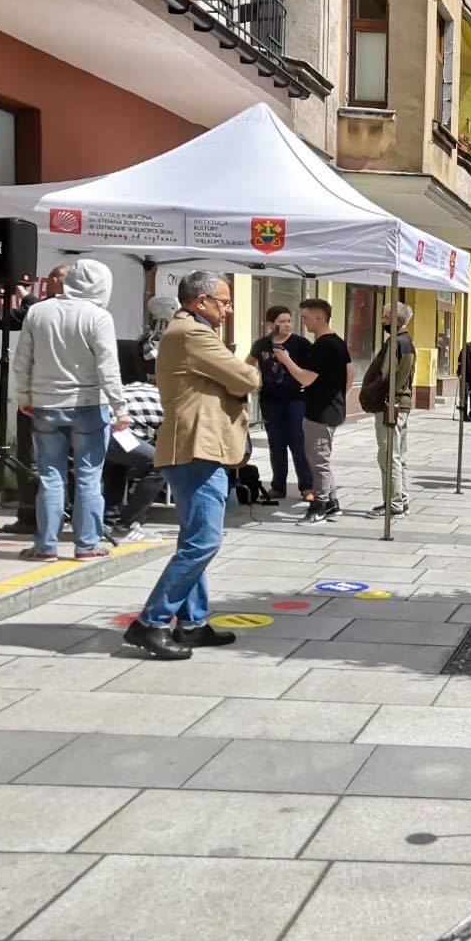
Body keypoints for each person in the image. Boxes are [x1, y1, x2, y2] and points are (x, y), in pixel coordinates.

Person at [123, 272, 260, 660]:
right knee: (204, 542)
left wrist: (232, 382)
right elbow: (247, 377)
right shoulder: (193, 334)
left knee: (194, 540)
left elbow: (234, 381)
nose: (228, 309)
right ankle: (150, 622)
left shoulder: (190, 332)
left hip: (195, 447)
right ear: (201, 301)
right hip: (197, 449)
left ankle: (192, 623)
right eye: (224, 302)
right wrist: (239, 379)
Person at [10, 258, 128, 561]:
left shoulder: (38, 311)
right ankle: (87, 545)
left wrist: (25, 397)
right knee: (89, 477)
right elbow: (108, 367)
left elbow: (22, 361)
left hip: (46, 405)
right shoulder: (99, 316)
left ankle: (44, 547)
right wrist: (120, 408)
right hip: (89, 406)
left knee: (50, 477)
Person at [0, 266, 60, 533]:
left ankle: (29, 518)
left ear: (54, 281)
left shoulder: (40, 312)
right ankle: (61, 517)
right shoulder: (88, 312)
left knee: (31, 458)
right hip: (73, 401)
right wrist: (24, 295)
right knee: (64, 461)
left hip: (39, 397)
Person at [272, 298, 352, 525]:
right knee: (321, 459)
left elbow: (306, 378)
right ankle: (332, 503)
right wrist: (339, 396)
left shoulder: (323, 345)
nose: (303, 322)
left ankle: (320, 507)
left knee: (318, 462)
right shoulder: (337, 342)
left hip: (320, 412)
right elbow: (350, 372)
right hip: (330, 409)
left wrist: (286, 360)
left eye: (306, 317)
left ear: (318, 317)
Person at [246, 306, 312, 503]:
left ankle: (307, 487)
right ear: (270, 324)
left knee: (298, 443)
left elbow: (312, 369)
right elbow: (246, 364)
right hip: (270, 401)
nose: (287, 325)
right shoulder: (261, 344)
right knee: (276, 444)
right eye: (282, 321)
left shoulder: (301, 343)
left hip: (295, 401)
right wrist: (254, 380)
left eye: (289, 321)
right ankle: (278, 487)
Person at [103, 358, 166, 545]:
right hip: (116, 430)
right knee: (160, 464)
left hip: (98, 423)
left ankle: (108, 522)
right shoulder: (172, 405)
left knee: (118, 465)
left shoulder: (141, 386)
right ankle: (127, 525)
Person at [363, 301, 416, 517]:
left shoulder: (396, 342)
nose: (382, 321)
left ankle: (393, 505)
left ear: (398, 321)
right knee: (399, 456)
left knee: (388, 457)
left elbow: (385, 376)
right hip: (400, 403)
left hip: (390, 404)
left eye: (386, 318)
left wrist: (369, 392)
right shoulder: (407, 342)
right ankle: (402, 500)